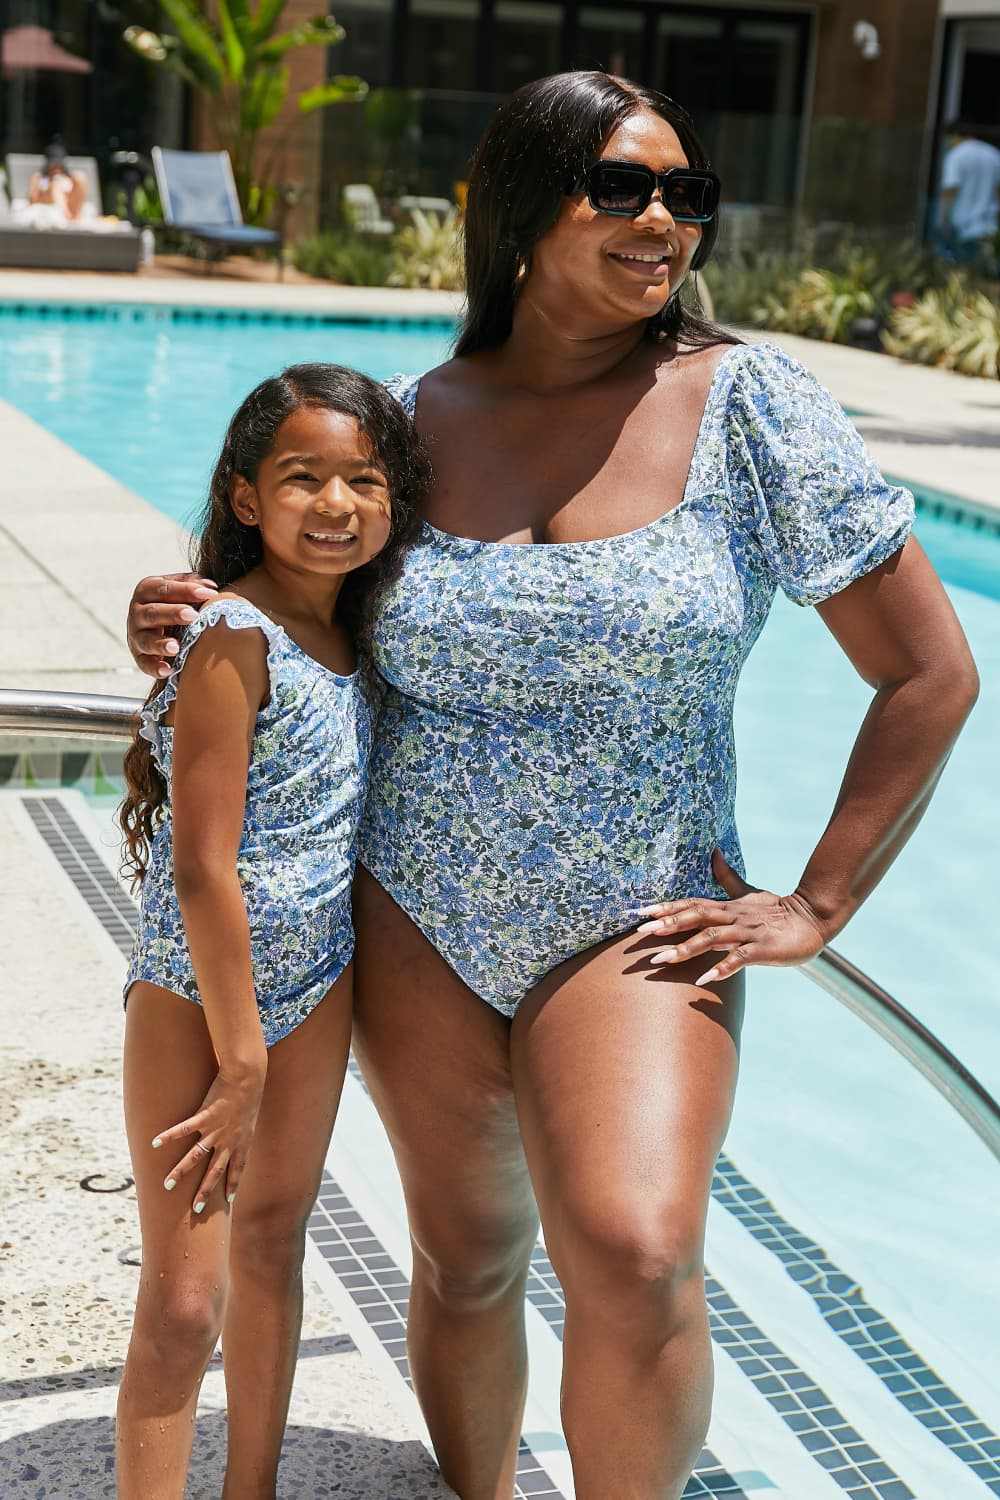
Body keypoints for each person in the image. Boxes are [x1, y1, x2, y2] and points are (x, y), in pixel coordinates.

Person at [126, 72, 978, 1500]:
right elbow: (285, 617)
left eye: (686, 194)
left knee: (636, 1252)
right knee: (464, 1265)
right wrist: (178, 609)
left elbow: (930, 674)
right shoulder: (403, 426)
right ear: (521, 212)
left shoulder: (749, 405)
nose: (664, 223)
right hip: (410, 907)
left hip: (637, 914)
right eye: (624, 190)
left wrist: (819, 899)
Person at [115, 363, 428, 1500]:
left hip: (320, 980)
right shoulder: (232, 634)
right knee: (186, 1299)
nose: (335, 504)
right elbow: (202, 867)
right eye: (302, 479)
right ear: (246, 497)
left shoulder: (354, 639)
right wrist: (240, 1057)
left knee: (272, 1248)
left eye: (363, 479)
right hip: (202, 1001)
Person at [937, 119, 1000, 274]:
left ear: (956, 136)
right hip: (990, 228)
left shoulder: (956, 156)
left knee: (965, 276)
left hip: (964, 228)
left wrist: (942, 220)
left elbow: (950, 191)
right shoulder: (994, 154)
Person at [27, 138, 89, 221]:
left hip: (72, 210)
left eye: (59, 165)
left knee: (80, 177)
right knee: (55, 185)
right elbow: (32, 199)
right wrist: (48, 188)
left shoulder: (69, 177)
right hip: (49, 207)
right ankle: (66, 215)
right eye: (53, 165)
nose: (56, 168)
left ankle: (73, 216)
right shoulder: (40, 178)